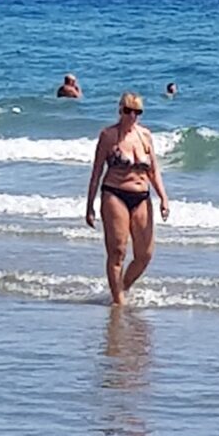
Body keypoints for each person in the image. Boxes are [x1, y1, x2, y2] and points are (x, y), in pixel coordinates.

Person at [85, 91, 170, 304]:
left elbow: (154, 171)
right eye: (128, 111)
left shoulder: (145, 136)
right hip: (114, 193)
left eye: (137, 112)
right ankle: (118, 302)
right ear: (120, 111)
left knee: (145, 255)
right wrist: (89, 205)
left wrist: (163, 198)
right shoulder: (108, 136)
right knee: (118, 251)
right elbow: (96, 172)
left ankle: (121, 287)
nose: (132, 116)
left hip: (141, 196)